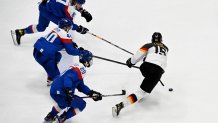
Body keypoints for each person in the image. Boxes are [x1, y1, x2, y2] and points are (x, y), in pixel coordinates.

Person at [112, 32, 169, 117]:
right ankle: (122, 104)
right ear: (161, 40)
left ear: (152, 39)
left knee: (148, 76)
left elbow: (137, 56)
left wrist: (131, 62)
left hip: (145, 66)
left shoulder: (148, 45)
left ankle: (143, 89)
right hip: (158, 71)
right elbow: (161, 58)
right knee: (141, 92)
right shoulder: (166, 48)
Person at [44, 52, 102, 123]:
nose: (91, 62)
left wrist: (91, 93)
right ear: (86, 61)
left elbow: (80, 85)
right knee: (82, 104)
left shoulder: (77, 66)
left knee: (63, 103)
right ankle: (63, 118)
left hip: (54, 89)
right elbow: (68, 78)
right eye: (90, 60)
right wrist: (68, 91)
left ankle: (50, 116)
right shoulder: (81, 69)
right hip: (61, 92)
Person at [33, 18, 91, 86]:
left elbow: (56, 41)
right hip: (45, 55)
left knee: (58, 55)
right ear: (65, 27)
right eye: (68, 27)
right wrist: (81, 52)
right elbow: (70, 51)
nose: (69, 29)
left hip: (36, 50)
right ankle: (53, 78)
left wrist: (70, 43)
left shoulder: (55, 29)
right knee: (58, 78)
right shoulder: (65, 35)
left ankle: (51, 73)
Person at [12, 0, 92, 45]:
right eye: (80, 4)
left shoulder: (70, 3)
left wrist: (82, 11)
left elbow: (72, 5)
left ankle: (20, 32)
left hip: (46, 6)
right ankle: (61, 42)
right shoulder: (66, 8)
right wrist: (79, 28)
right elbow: (68, 23)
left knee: (41, 27)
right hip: (47, 10)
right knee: (64, 25)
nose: (80, 6)